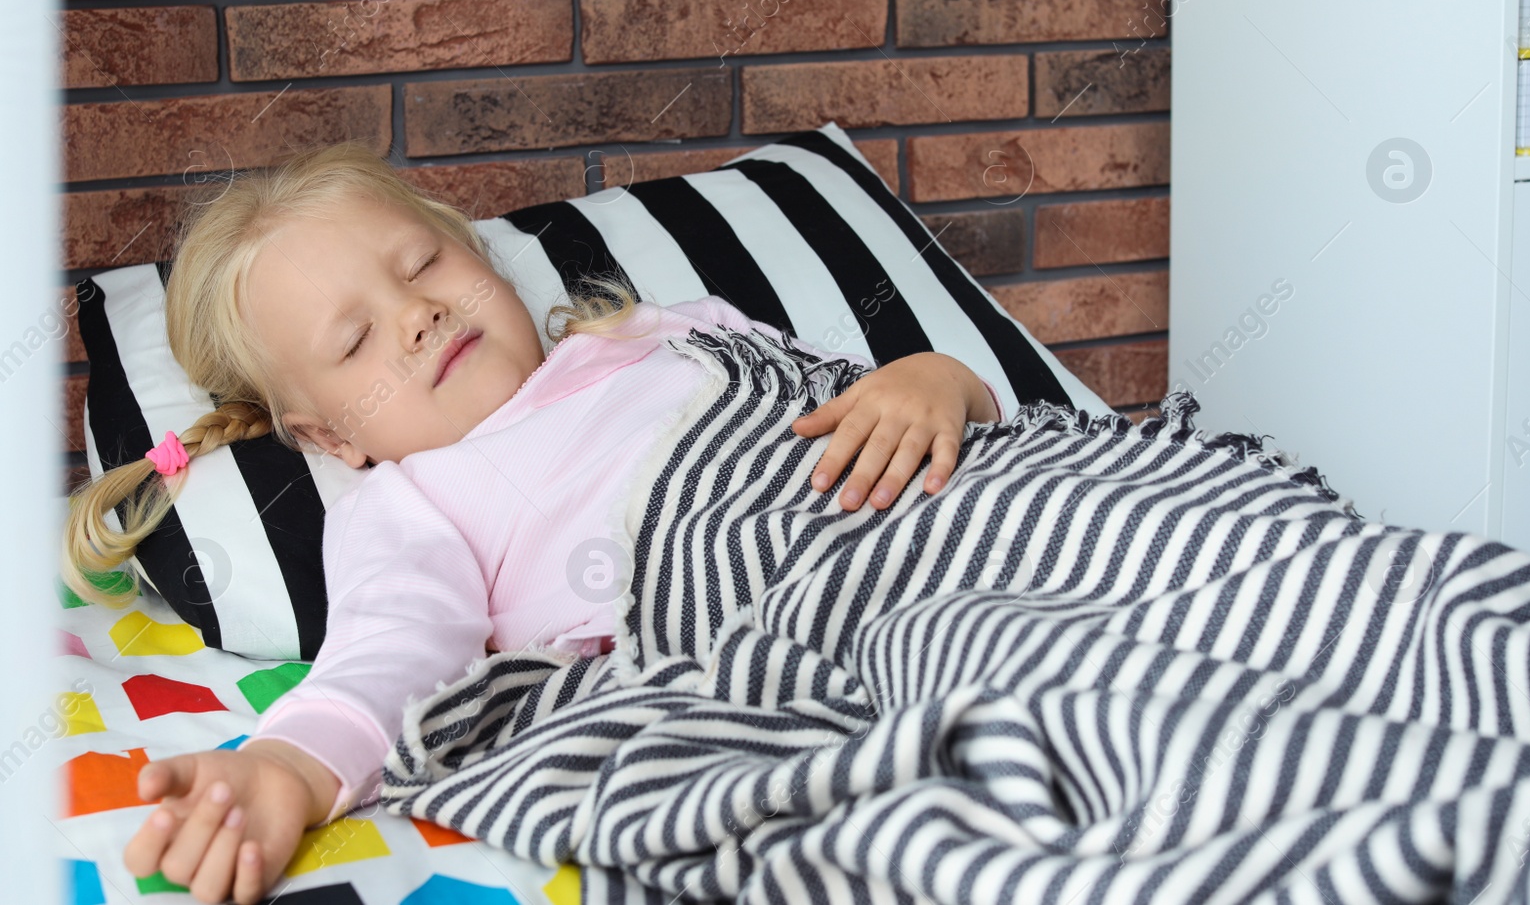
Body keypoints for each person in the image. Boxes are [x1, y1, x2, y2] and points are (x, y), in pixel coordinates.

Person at [60, 142, 1006, 905]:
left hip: (974, 519)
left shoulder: (666, 330)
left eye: (425, 264)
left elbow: (866, 402)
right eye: (355, 341)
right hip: (804, 608)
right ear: (325, 435)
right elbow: (392, 647)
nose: (419, 314)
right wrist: (289, 764)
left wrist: (937, 377)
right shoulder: (414, 499)